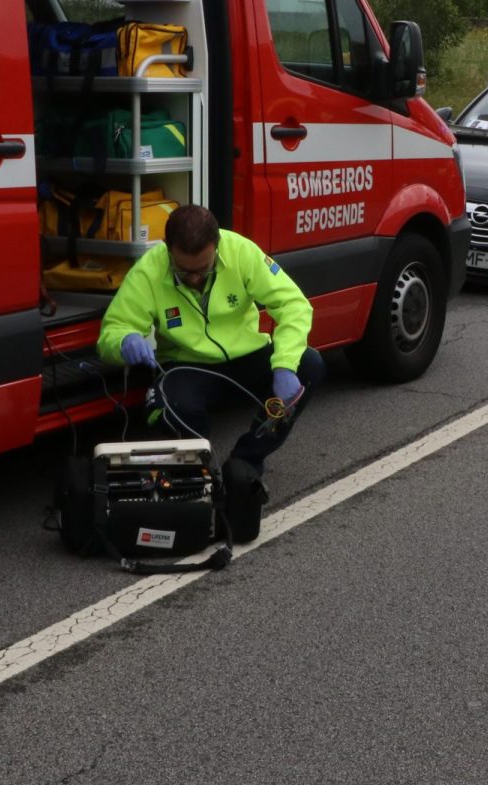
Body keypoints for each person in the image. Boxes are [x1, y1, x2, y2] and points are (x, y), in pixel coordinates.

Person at [98, 204, 326, 542]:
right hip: (188, 366)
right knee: (174, 406)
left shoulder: (241, 252)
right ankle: (204, 482)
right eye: (184, 271)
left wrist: (284, 365)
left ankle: (247, 462)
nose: (194, 278)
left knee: (311, 366)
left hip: (246, 358)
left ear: (217, 246)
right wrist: (124, 341)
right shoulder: (149, 270)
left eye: (202, 270)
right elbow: (110, 333)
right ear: (167, 248)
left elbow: (294, 305)